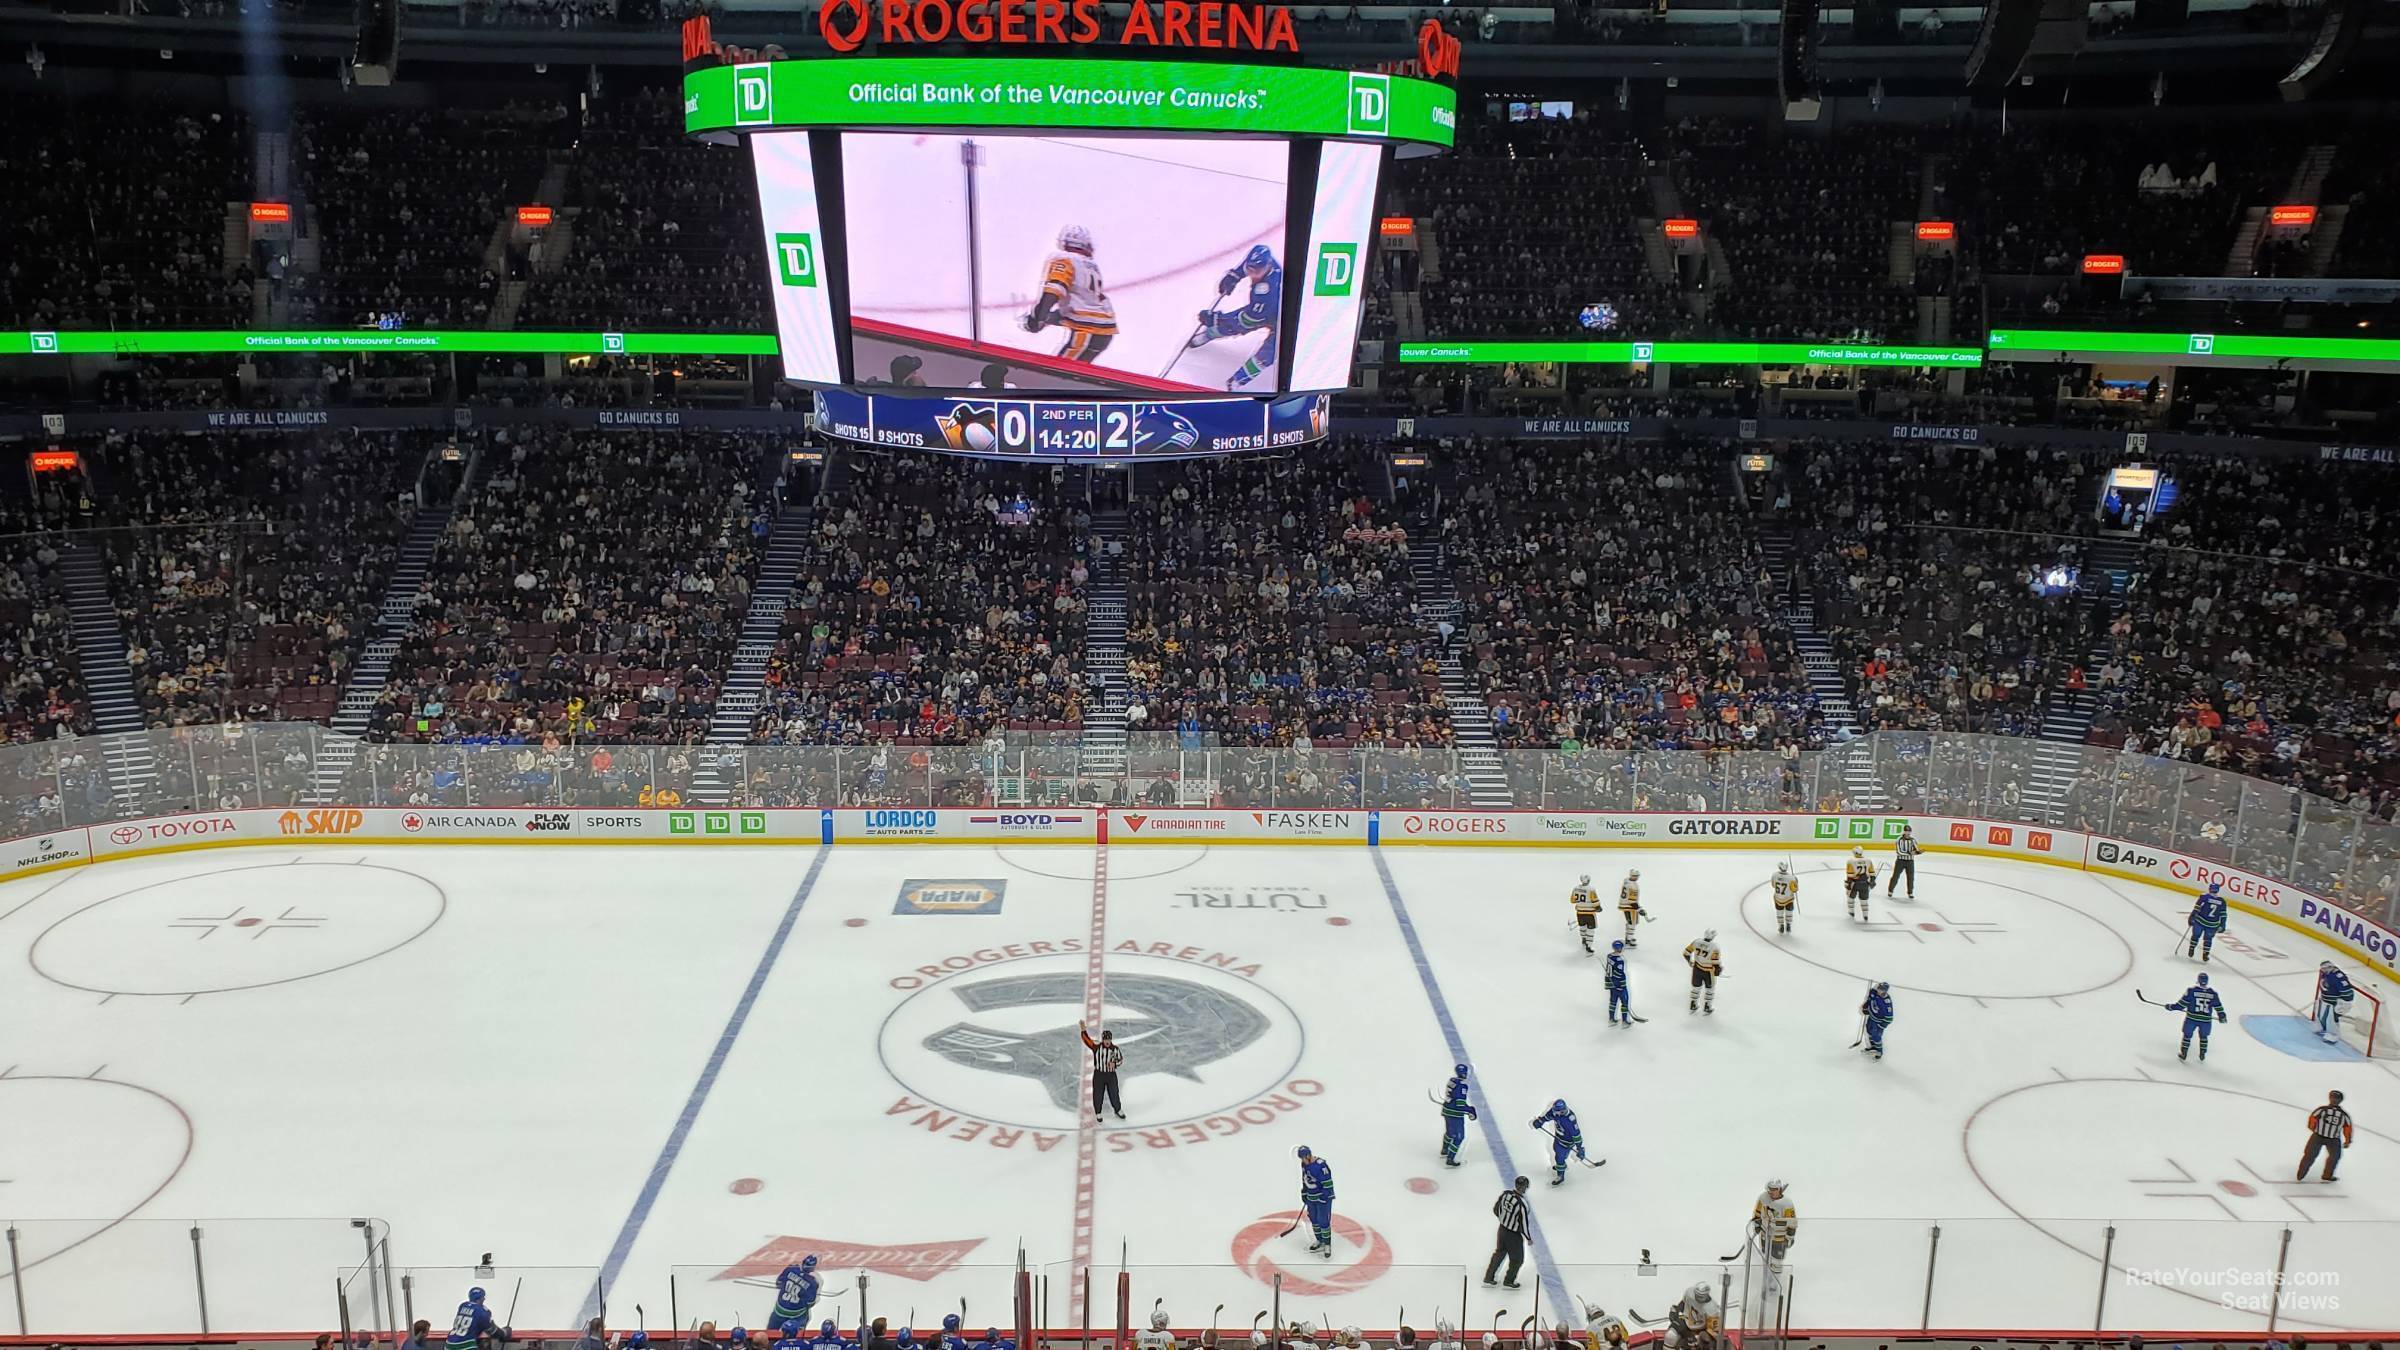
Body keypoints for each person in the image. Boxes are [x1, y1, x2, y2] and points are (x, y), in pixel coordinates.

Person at [1187, 244, 1281, 390]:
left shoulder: (1267, 291)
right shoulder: (1263, 264)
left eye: (1256, 271)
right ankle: (1210, 334)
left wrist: (1216, 319)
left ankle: (1237, 381)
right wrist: (1234, 276)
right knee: (1231, 325)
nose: (1251, 273)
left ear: (1267, 266)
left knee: (1267, 355)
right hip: (1263, 310)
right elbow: (1246, 267)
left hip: (1284, 320)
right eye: (1250, 269)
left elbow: (1247, 319)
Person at [1022, 224, 1116, 362]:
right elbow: (1078, 308)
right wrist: (1047, 318)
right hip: (1102, 330)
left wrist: (1037, 319)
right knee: (1072, 372)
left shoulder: (1064, 259)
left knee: (1059, 374)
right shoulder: (1090, 264)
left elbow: (1054, 291)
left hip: (1088, 330)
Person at [2167, 972, 2229, 1062]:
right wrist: (2222, 1016)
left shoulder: (2191, 991)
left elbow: (2181, 1004)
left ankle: (2184, 1052)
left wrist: (2171, 1007)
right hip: (2206, 1020)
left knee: (2187, 1035)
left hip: (2192, 1018)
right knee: (2204, 1036)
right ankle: (2202, 1053)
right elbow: (2218, 1007)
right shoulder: (2213, 993)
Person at [1484, 1175, 1531, 1289]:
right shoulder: (1522, 1204)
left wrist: (1503, 1220)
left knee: (1499, 1253)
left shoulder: (1505, 1194)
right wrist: (1528, 1237)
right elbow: (1524, 1223)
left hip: (1502, 1230)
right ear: (1525, 1187)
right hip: (1513, 1235)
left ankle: (1489, 1277)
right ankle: (1509, 1281)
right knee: (1517, 1259)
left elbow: (1496, 1209)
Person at [1530, 1098, 1588, 1185]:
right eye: (1556, 1112)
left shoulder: (1570, 1120)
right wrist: (1540, 1121)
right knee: (1556, 1150)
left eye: (1560, 1112)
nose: (1557, 1114)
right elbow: (1548, 1116)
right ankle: (1561, 1165)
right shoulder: (1555, 1111)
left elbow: (1576, 1135)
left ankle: (1560, 1175)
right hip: (1558, 1138)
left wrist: (1580, 1148)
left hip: (1567, 1142)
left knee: (1559, 1157)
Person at [2299, 1090, 2352, 1182]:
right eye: (2333, 1098)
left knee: (2335, 1156)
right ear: (2330, 1098)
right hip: (2319, 1136)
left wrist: (2347, 1140)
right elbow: (2312, 1119)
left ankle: (2327, 1175)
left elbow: (2347, 1128)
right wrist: (2313, 1128)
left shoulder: (2342, 1114)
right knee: (2310, 1155)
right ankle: (2301, 1174)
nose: (2334, 1100)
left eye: (2337, 1099)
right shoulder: (2323, 1110)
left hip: (2332, 1139)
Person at [1296, 1145, 1336, 1255]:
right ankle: (1319, 1240)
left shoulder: (1321, 1165)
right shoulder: (1304, 1164)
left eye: (1304, 1157)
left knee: (1323, 1220)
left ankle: (1327, 1244)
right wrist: (1304, 1192)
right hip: (1311, 1197)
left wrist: (1324, 1196)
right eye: (1301, 1158)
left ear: (1308, 1155)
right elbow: (1305, 1178)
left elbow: (1328, 1183)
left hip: (1323, 1198)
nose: (1303, 1160)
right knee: (1314, 1219)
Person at [1081, 1023, 1125, 1121]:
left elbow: (1120, 1060)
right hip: (1099, 1074)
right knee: (1098, 1093)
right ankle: (1098, 1112)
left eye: (1109, 1039)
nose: (1107, 1041)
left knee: (1114, 1092)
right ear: (1103, 1039)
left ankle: (1117, 1109)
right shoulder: (1096, 1046)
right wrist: (1083, 1030)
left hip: (1111, 1075)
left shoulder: (1115, 1049)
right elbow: (1087, 1041)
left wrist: (1115, 1064)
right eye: (1105, 1039)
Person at [1438, 1063, 1477, 1168]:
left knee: (1450, 1133)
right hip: (1455, 1114)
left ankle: (1444, 1149)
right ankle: (1451, 1159)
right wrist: (1470, 1110)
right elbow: (1460, 1104)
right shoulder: (1462, 1086)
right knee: (1459, 1137)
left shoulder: (1452, 1081)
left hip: (1446, 1110)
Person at [2311, 961, 2356, 1044]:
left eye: (2324, 968)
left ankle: (2333, 1035)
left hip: (2334, 1002)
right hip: (2325, 999)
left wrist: (2345, 1002)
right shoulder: (2327, 974)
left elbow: (2347, 990)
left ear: (2330, 967)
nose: (2323, 970)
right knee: (2320, 1013)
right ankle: (2321, 1027)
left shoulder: (2338, 977)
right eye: (2322, 968)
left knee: (2331, 1018)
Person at [771, 1256, 821, 1328]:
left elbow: (778, 1283)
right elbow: (810, 1303)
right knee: (805, 1317)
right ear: (813, 1267)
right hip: (796, 1314)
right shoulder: (812, 1281)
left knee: (771, 1332)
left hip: (780, 1309)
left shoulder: (791, 1268)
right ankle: (798, 1337)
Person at [2186, 880, 2229, 962]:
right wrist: (2222, 925)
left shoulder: (2204, 897)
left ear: (2210, 889)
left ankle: (2191, 949)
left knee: (2195, 935)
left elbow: (2196, 909)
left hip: (2200, 921)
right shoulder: (2222, 901)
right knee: (2208, 939)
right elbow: (2223, 915)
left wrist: (2191, 917)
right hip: (2212, 925)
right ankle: (2205, 954)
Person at [1684, 928, 1723, 1015]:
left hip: (1697, 969)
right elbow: (1715, 961)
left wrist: (1689, 961)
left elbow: (1686, 953)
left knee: (1696, 988)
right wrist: (1718, 969)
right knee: (1710, 989)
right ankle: (1707, 1007)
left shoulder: (1696, 942)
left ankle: (1693, 1005)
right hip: (1708, 972)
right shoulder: (1715, 947)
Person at [1860, 981, 1894, 1060]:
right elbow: (1870, 998)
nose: (1879, 990)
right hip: (1871, 1018)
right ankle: (1873, 1048)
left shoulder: (1886, 1002)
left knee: (1876, 1036)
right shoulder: (1873, 992)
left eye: (1882, 989)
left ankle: (1879, 1052)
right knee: (1869, 1032)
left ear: (1885, 991)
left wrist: (1881, 1026)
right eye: (1879, 988)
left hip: (1879, 1022)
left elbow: (1890, 1018)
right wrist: (1866, 1006)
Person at [1604, 939, 1635, 1027]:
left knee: (1613, 1002)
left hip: (1611, 983)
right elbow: (1620, 973)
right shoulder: (1620, 960)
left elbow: (1608, 971)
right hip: (1620, 984)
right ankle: (1625, 1021)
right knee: (1624, 1001)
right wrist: (1621, 984)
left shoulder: (1609, 956)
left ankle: (1611, 1019)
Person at [1569, 872, 1602, 954]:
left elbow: (1572, 900)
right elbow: (1595, 900)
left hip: (1580, 912)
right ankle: (1589, 945)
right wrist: (1598, 907)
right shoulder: (1591, 889)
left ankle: (1583, 939)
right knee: (1591, 930)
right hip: (1590, 913)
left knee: (1582, 927)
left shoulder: (1576, 888)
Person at [1617, 869, 1647, 949]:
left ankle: (1628, 937)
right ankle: (1629, 941)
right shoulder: (1633, 886)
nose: (1636, 877)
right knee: (1632, 923)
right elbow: (1632, 901)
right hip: (1629, 906)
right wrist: (1639, 909)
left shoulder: (1626, 881)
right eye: (1635, 876)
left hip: (1624, 904)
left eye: (1636, 876)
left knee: (1630, 922)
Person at [1844, 847, 1876, 920]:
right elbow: (1872, 873)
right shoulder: (1868, 861)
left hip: (1855, 883)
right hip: (1865, 883)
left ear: (1855, 853)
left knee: (1850, 898)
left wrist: (1848, 885)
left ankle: (1851, 912)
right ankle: (1865, 915)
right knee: (1864, 900)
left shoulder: (1850, 861)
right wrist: (1872, 881)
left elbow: (1850, 875)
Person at [1888, 825, 1919, 899]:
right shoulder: (1899, 839)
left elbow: (1916, 849)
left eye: (1909, 831)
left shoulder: (1913, 840)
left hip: (1910, 861)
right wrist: (1909, 853)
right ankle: (1890, 890)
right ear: (1904, 831)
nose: (1908, 833)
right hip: (1900, 861)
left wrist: (1917, 852)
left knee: (1911, 877)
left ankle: (1910, 892)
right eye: (1906, 831)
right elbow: (1899, 852)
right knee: (1895, 876)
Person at [1770, 860, 1798, 936]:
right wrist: (1796, 882)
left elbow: (1773, 885)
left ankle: (1781, 925)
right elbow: (1794, 889)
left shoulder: (1774, 875)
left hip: (1778, 898)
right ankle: (1788, 925)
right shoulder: (1792, 878)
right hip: (1788, 898)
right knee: (1789, 912)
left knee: (1779, 912)